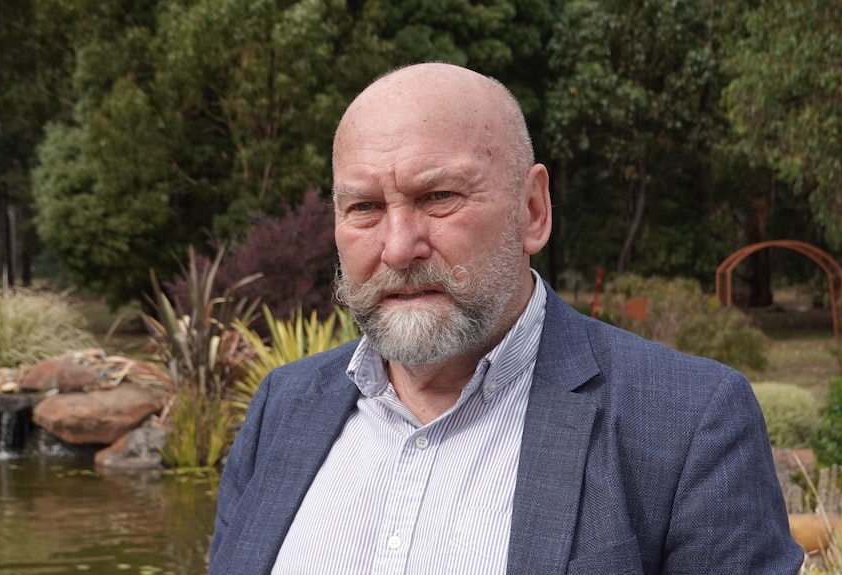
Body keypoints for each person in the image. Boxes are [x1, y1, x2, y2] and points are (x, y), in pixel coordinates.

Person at [208, 63, 803, 574]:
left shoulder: (686, 421)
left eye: (438, 197)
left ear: (533, 210)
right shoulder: (282, 409)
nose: (398, 247)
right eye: (364, 207)